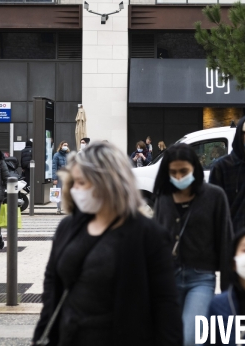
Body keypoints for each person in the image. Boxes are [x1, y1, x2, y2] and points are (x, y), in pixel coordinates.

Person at [32, 142, 182, 346]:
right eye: (73, 182)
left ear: (107, 183)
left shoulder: (148, 235)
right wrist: (41, 335)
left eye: (82, 183)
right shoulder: (69, 227)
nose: (75, 190)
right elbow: (52, 286)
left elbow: (166, 305)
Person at [153, 144, 233, 346]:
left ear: (194, 169)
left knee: (190, 338)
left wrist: (227, 290)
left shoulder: (215, 196)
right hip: (168, 278)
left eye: (184, 171)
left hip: (201, 278)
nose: (179, 176)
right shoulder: (163, 198)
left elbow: (225, 241)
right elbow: (156, 242)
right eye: (173, 172)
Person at [52, 141, 70, 214]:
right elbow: (54, 167)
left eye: (67, 145)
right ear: (61, 146)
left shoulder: (68, 155)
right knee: (58, 192)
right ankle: (58, 208)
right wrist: (54, 178)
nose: (66, 146)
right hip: (60, 176)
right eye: (64, 145)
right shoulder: (56, 155)